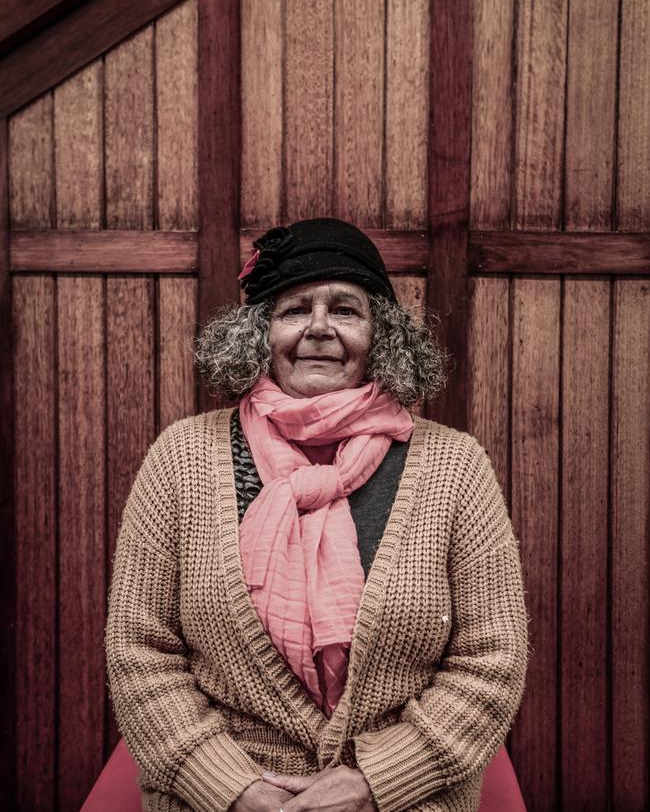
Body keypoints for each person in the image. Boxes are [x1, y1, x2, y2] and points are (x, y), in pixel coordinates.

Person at [105, 217, 528, 812]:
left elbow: (492, 661)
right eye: (295, 308)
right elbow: (139, 653)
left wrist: (373, 782)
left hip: (407, 800)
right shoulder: (182, 458)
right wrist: (234, 789)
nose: (320, 329)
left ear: (382, 335)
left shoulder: (454, 466)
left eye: (347, 310)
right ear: (258, 333)